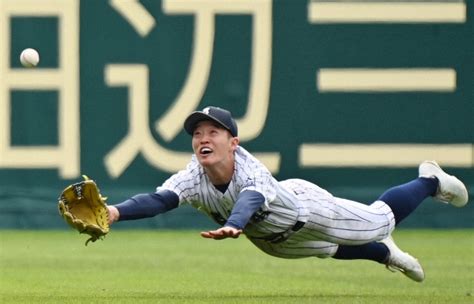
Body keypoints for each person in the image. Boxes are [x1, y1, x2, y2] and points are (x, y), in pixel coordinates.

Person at [107, 106, 469, 282]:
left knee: (378, 221)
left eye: (213, 132)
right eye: (198, 132)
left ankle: (430, 181)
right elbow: (159, 199)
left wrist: (234, 225)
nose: (203, 138)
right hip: (272, 241)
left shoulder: (251, 170)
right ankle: (385, 254)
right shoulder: (192, 175)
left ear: (233, 143)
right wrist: (116, 213)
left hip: (306, 210)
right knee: (329, 249)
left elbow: (249, 198)